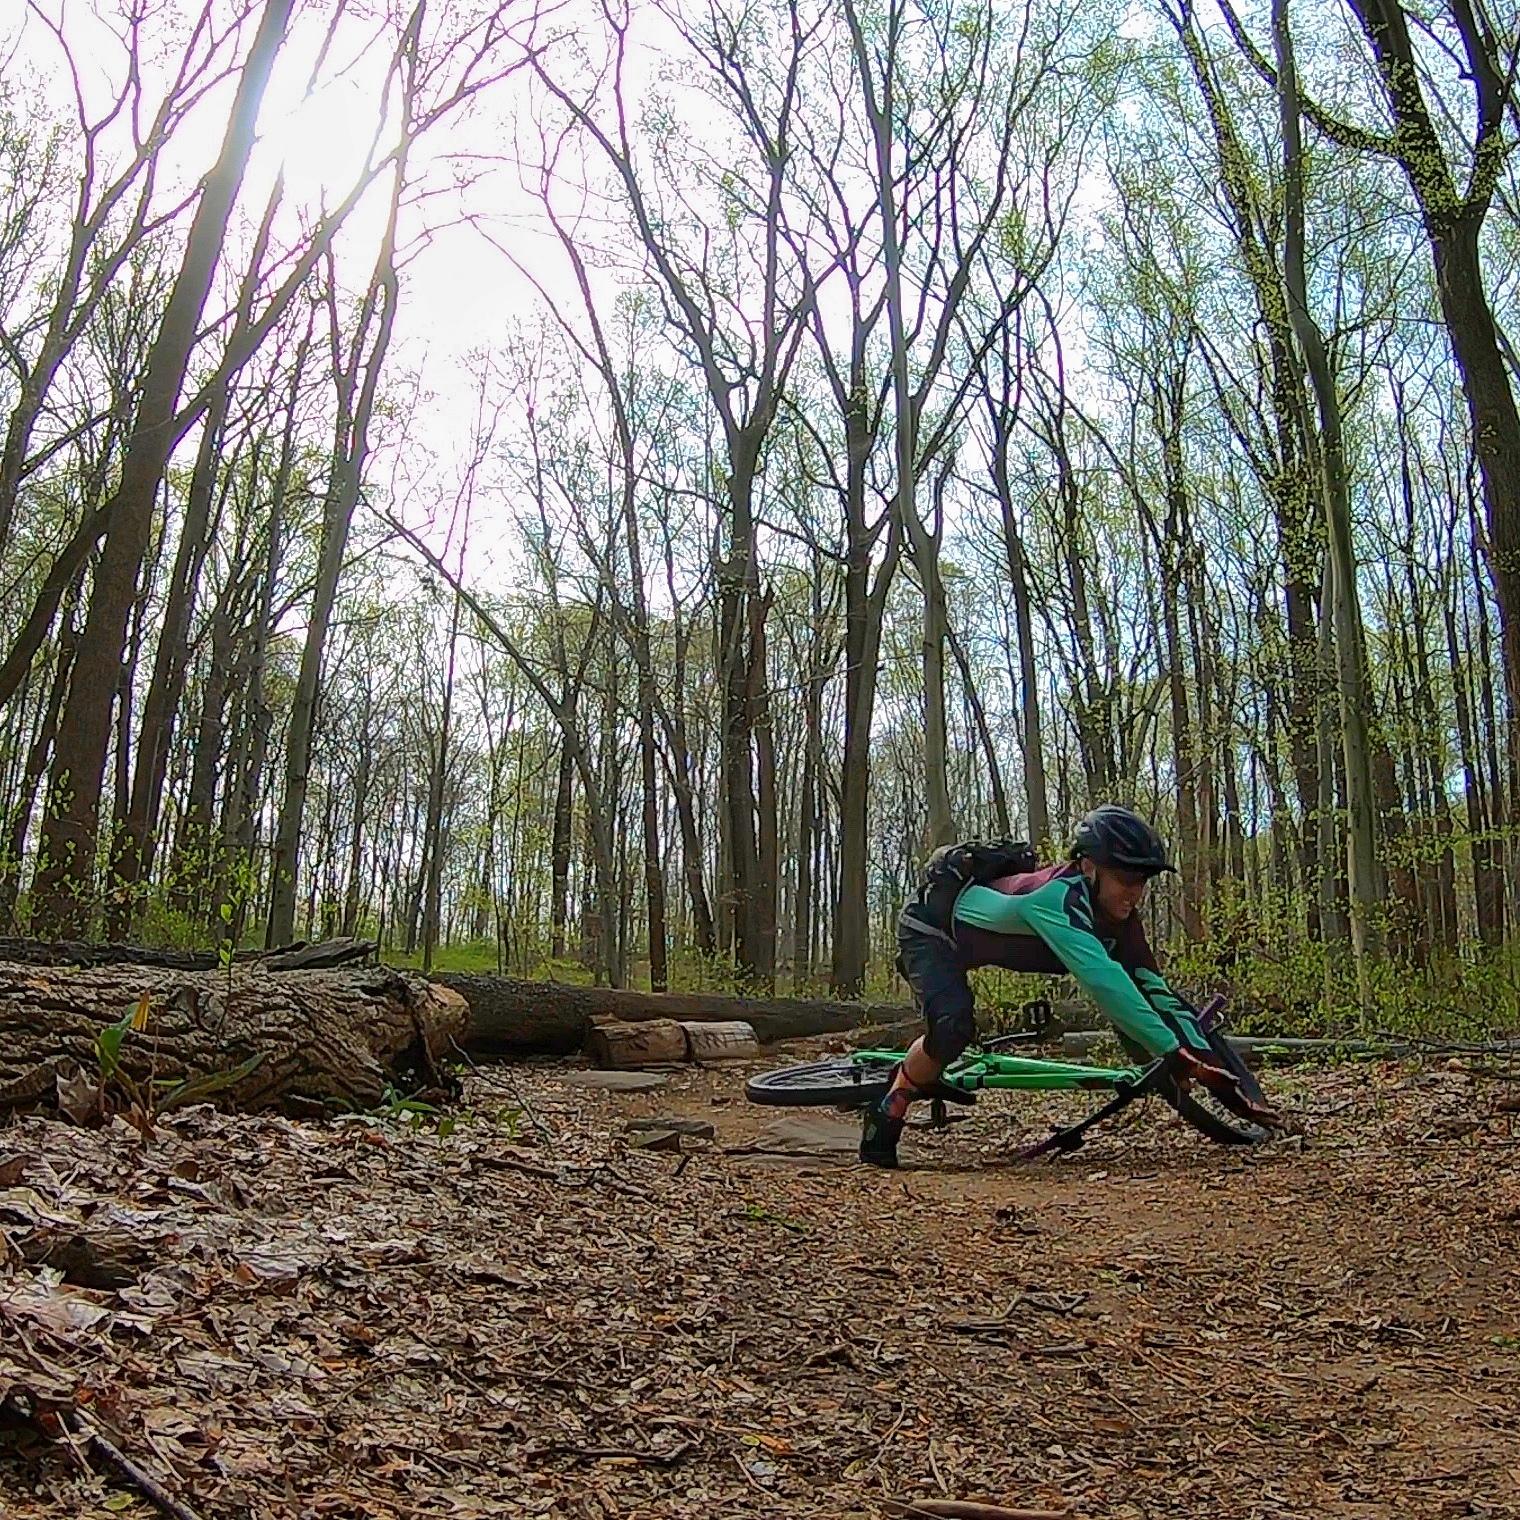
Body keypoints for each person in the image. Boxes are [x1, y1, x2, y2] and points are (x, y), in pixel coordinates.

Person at [861, 803, 1276, 1167]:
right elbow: (1105, 982)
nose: (1135, 892)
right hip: (932, 931)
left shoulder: (1119, 921)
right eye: (1125, 878)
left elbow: (1155, 990)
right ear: (1090, 867)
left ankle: (927, 1073)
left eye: (1143, 880)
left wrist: (1213, 1065)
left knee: (1149, 1000)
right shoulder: (1056, 899)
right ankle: (890, 1103)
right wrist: (1174, 1054)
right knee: (953, 1027)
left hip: (973, 940)